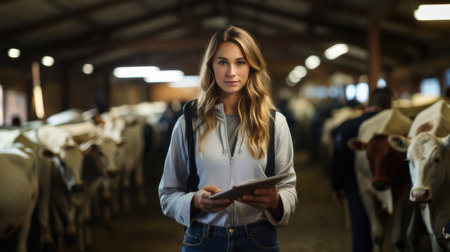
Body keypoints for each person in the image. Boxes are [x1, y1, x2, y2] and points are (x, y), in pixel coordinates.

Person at [158, 25, 297, 252]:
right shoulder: (188, 123)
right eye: (222, 62)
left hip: (258, 239)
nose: (231, 71)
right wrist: (194, 201)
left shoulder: (274, 122)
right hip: (202, 240)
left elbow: (288, 187)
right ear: (211, 66)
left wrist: (276, 202)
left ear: (252, 66)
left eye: (240, 62)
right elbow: (167, 193)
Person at [330, 87, 393, 252]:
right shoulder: (394, 127)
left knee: (361, 230)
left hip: (356, 187)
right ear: (389, 106)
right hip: (393, 186)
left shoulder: (348, 126)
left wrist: (337, 187)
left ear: (369, 104)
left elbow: (338, 158)